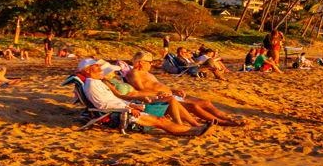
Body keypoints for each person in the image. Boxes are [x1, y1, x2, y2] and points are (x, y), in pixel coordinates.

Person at [75, 60, 207, 137]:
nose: (100, 68)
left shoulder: (97, 82)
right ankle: (193, 131)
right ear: (87, 70)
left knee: (166, 108)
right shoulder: (92, 84)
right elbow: (102, 105)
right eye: (96, 66)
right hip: (120, 114)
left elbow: (114, 99)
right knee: (160, 120)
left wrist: (133, 104)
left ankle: (192, 128)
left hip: (127, 107)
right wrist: (130, 107)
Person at [126, 52, 246, 126]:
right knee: (194, 106)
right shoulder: (134, 74)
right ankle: (223, 122)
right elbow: (140, 91)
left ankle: (226, 117)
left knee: (206, 102)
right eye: (149, 62)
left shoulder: (148, 74)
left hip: (170, 94)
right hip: (161, 99)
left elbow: (157, 85)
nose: (151, 64)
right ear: (141, 62)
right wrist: (160, 93)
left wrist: (173, 90)